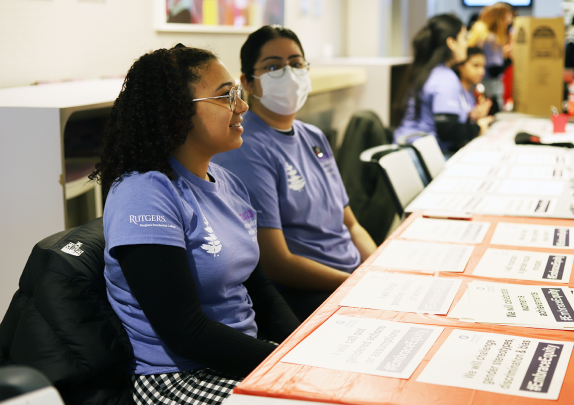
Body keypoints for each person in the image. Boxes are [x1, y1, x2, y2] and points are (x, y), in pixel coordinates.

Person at [89, 44, 300, 405]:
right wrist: (283, 363)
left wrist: (301, 344)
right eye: (225, 96)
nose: (243, 106)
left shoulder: (226, 180)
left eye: (237, 93)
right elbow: (186, 332)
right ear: (174, 111)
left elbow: (258, 285)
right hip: (177, 376)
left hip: (239, 357)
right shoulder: (144, 191)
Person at [212, 25, 377, 321]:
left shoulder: (314, 136)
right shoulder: (246, 148)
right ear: (248, 82)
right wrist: (355, 285)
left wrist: (377, 268)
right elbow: (277, 263)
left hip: (352, 278)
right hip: (308, 292)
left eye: (297, 63)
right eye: (273, 66)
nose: (289, 74)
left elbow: (351, 224)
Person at [393, 14, 494, 154]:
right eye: (464, 38)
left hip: (408, 151)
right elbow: (447, 131)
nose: (466, 43)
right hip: (422, 156)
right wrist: (477, 127)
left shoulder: (430, 71)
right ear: (452, 43)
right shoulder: (445, 78)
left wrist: (470, 117)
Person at [467, 3, 513, 110]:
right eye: (507, 21)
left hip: (479, 88)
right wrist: (509, 58)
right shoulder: (491, 39)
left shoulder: (481, 34)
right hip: (489, 91)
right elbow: (494, 70)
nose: (508, 24)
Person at [455, 47, 493, 123]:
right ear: (461, 66)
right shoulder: (453, 90)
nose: (482, 72)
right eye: (476, 65)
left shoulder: (473, 93)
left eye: (483, 66)